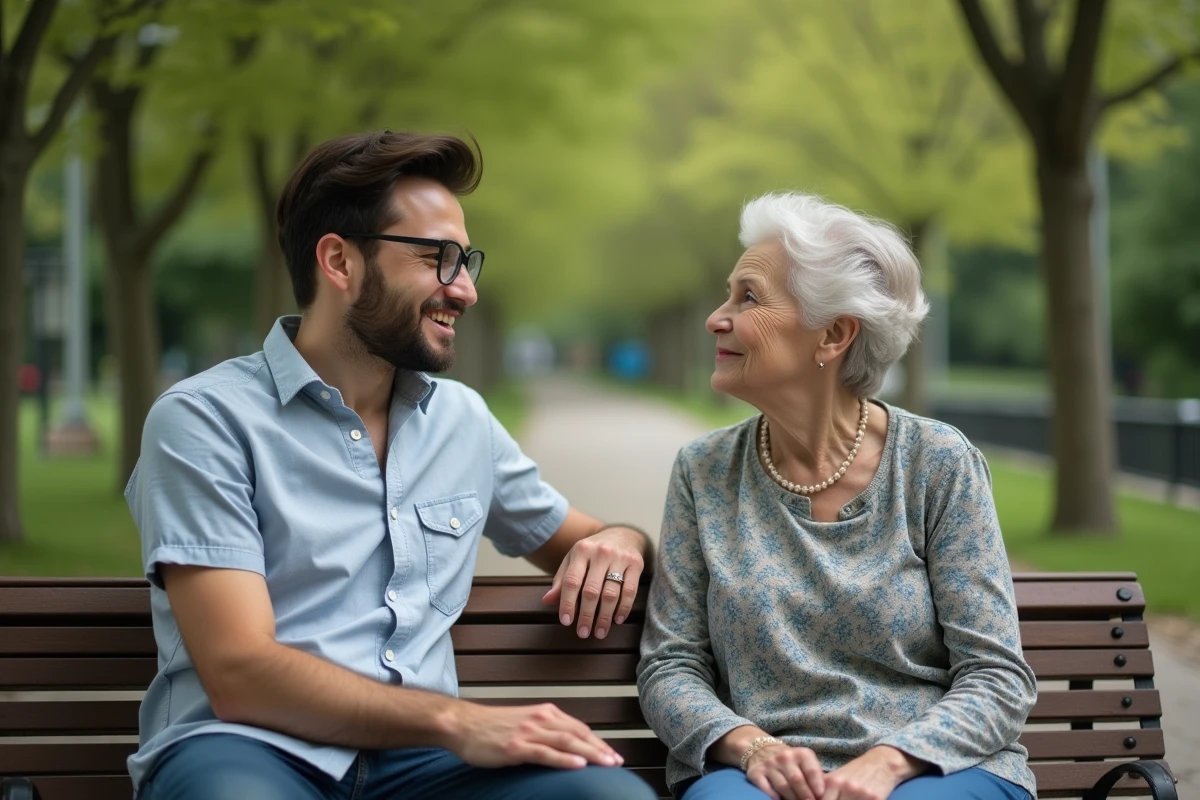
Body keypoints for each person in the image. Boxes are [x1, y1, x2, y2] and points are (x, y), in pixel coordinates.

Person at [125, 130, 657, 800]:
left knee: (611, 799)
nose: (462, 290)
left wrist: (622, 540)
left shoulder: (461, 421)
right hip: (248, 750)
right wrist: (456, 720)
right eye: (437, 259)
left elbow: (584, 539)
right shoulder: (204, 421)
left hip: (423, 767)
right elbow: (240, 672)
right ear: (340, 263)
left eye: (466, 262)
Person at [636, 192, 1037, 800]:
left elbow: (996, 676)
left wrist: (890, 761)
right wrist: (752, 747)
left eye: (748, 297)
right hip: (760, 776)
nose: (717, 317)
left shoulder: (937, 462)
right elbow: (671, 665)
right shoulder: (704, 471)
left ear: (834, 336)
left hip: (932, 768)